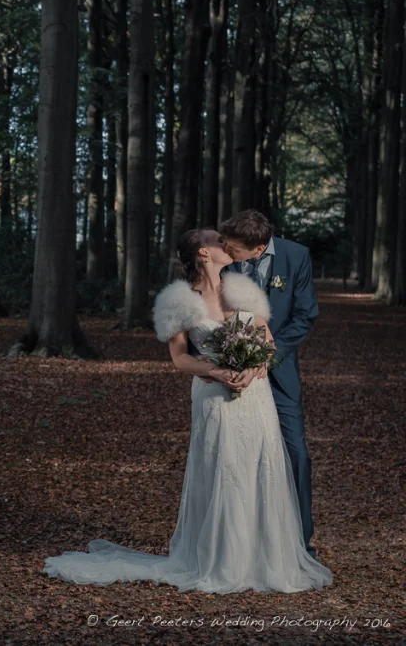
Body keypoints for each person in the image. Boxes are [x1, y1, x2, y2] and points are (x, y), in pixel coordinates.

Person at [42, 228, 331, 594]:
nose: (225, 243)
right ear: (203, 254)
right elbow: (180, 358)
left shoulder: (243, 288)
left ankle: (265, 558)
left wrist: (254, 367)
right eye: (216, 240)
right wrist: (216, 370)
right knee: (224, 469)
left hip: (255, 395)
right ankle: (222, 559)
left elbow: (266, 341)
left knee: (261, 467)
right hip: (214, 396)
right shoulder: (178, 300)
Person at [219, 210, 319, 559]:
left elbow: (305, 315)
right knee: (240, 457)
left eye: (234, 248)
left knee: (296, 454)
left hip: (281, 374)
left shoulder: (296, 256)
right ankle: (243, 543)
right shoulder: (223, 261)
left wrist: (267, 355)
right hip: (234, 372)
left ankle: (300, 543)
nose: (227, 252)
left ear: (258, 249)